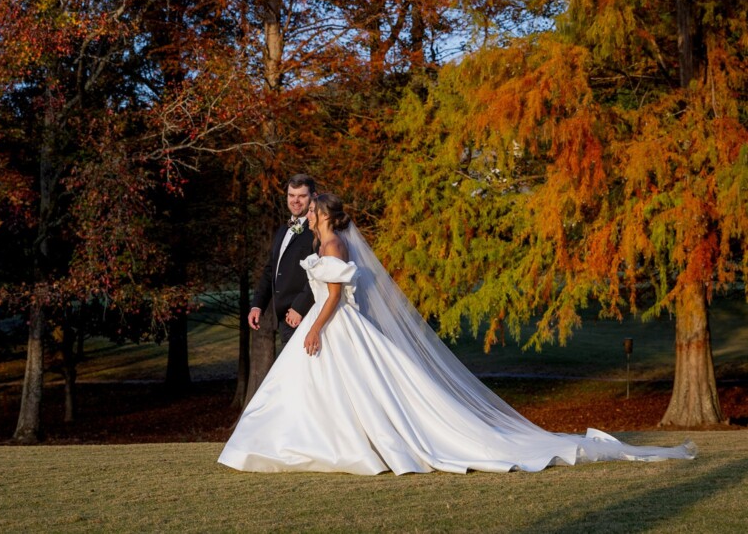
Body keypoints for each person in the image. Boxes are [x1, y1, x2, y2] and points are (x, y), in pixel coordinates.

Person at [219, 193, 696, 475]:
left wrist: (316, 328)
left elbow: (337, 296)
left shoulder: (336, 242)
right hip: (333, 327)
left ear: (325, 215)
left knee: (358, 392)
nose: (311, 214)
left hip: (337, 326)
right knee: (307, 390)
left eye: (315, 210)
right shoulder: (322, 241)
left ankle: (359, 446)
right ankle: (290, 444)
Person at [248, 174, 317, 347]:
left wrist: (299, 307)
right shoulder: (283, 230)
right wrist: (257, 305)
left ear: (313, 197)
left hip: (305, 316)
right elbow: (271, 269)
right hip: (283, 318)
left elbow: (319, 274)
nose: (295, 201)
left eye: (302, 196)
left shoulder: (317, 231)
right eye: (291, 195)